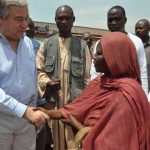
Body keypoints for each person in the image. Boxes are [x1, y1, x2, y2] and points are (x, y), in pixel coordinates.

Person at [37, 32, 150, 150]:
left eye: (99, 53)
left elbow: (111, 143)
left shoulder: (126, 95)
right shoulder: (99, 83)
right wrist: (47, 113)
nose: (94, 57)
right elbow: (75, 109)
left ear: (115, 58)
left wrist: (77, 125)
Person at [36, 5, 91, 150]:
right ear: (55, 20)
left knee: (73, 140)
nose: (64, 21)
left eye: (67, 18)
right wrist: (48, 82)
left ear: (73, 20)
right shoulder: (46, 45)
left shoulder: (82, 46)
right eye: (60, 18)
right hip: (53, 103)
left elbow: (87, 78)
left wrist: (85, 105)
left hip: (74, 103)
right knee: (53, 140)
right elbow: (38, 71)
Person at [0, 0, 48, 150]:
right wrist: (23, 111)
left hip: (27, 121)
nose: (25, 25)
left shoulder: (27, 43)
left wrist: (32, 109)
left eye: (26, 18)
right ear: (1, 20)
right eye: (19, 19)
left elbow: (31, 79)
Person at [90, 5, 148, 96]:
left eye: (117, 19)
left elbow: (142, 70)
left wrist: (143, 97)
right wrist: (93, 92)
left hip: (129, 92)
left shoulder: (136, 41)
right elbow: (94, 72)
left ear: (125, 20)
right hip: (104, 90)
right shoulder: (100, 43)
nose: (113, 23)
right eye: (110, 20)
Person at [135, 19, 150, 93]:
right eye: (136, 28)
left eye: (140, 28)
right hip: (134, 86)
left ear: (148, 29)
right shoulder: (131, 44)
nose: (137, 30)